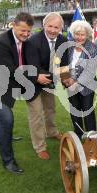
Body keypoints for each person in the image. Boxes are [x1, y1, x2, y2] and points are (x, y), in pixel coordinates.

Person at [0, 12, 34, 174]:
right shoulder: (0, 43)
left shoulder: (23, 41)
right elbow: (11, 70)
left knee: (1, 117)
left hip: (7, 86)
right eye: (22, 30)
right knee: (7, 118)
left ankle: (1, 138)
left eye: (28, 31)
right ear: (14, 25)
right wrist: (36, 76)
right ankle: (8, 161)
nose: (25, 34)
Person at [24, 12, 68, 160]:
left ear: (61, 28)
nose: (53, 30)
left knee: (50, 109)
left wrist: (66, 79)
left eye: (57, 27)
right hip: (32, 81)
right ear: (44, 25)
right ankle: (39, 146)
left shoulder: (63, 40)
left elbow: (64, 62)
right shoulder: (33, 41)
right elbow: (32, 66)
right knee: (36, 114)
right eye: (50, 26)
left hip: (49, 81)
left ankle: (52, 132)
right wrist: (52, 76)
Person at [63, 20, 97, 138]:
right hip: (70, 85)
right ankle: (78, 135)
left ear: (87, 34)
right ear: (73, 34)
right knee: (75, 112)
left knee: (87, 111)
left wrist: (75, 81)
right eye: (77, 34)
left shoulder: (92, 48)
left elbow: (90, 71)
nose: (79, 37)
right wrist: (65, 79)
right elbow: (62, 64)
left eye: (82, 34)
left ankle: (92, 137)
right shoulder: (69, 46)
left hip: (86, 86)